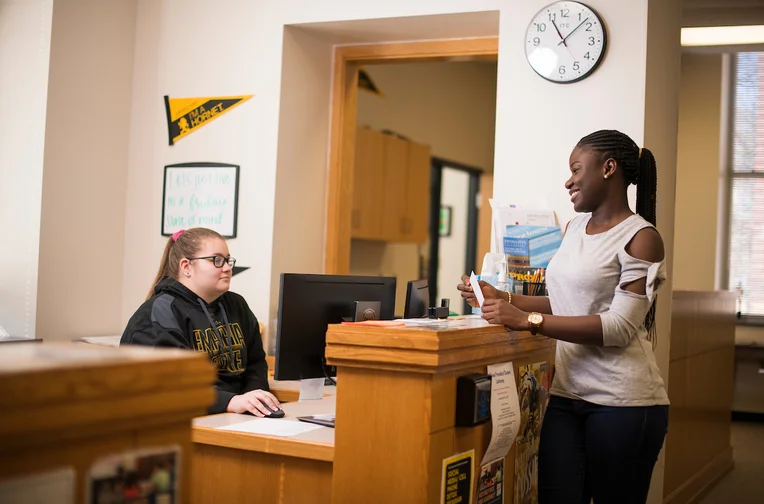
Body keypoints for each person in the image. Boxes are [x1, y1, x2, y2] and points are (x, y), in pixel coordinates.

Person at [458, 130, 669, 504]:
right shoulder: (574, 229)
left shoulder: (641, 237)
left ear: (608, 168)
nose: (568, 180)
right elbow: (567, 301)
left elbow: (618, 329)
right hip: (568, 396)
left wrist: (525, 321)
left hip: (624, 404)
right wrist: (503, 297)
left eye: (576, 169)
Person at [121, 227, 280, 417]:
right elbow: (168, 385)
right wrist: (229, 401)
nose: (227, 268)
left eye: (228, 260)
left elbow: (255, 363)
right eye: (217, 260)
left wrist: (256, 398)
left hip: (231, 414)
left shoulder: (236, 305)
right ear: (186, 266)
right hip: (181, 418)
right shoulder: (160, 313)